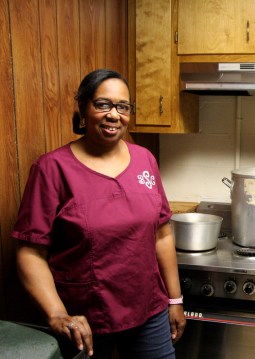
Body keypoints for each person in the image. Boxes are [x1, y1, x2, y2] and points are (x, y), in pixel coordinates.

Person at [12, 68, 186, 358]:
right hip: (86, 319)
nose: (114, 115)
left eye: (123, 106)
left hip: (149, 309)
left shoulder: (144, 159)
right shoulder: (52, 169)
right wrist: (57, 314)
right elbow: (30, 252)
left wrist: (175, 299)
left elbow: (162, 233)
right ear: (83, 107)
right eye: (103, 104)